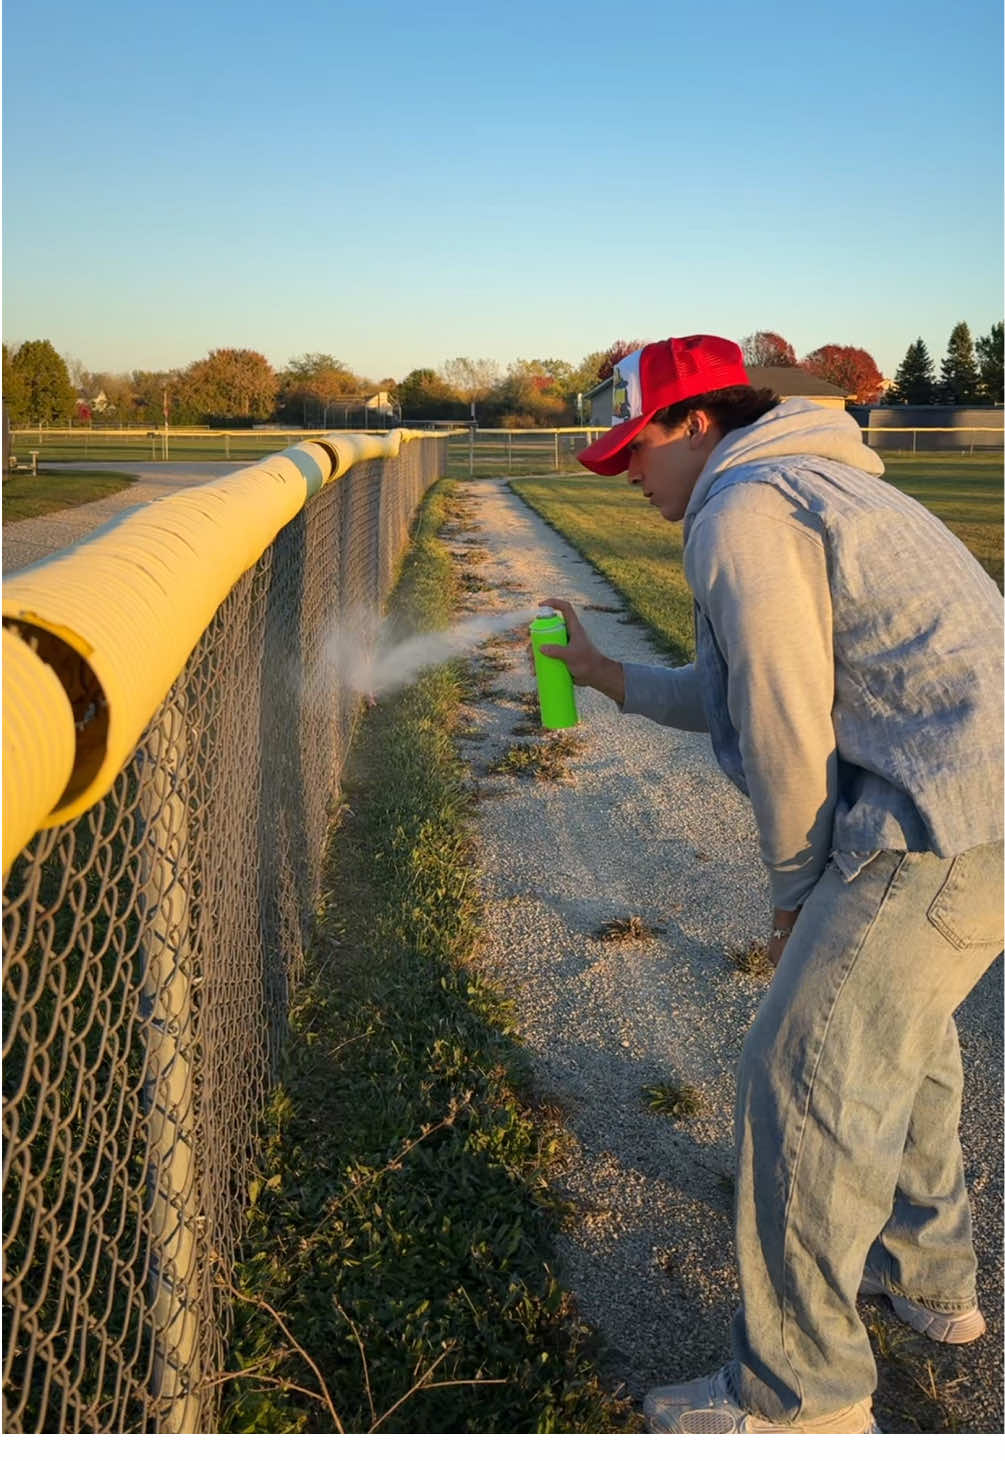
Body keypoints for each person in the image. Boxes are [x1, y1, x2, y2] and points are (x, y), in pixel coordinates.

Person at [538, 334, 1004, 1435]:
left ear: (696, 422)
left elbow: (788, 715)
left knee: (803, 1078)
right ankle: (930, 1284)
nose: (630, 475)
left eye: (636, 451)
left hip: (934, 825)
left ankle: (802, 1405)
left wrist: (794, 889)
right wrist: (606, 678)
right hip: (982, 814)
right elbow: (745, 683)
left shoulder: (742, 508)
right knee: (905, 1043)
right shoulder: (808, 478)